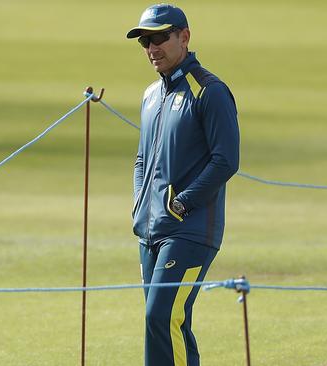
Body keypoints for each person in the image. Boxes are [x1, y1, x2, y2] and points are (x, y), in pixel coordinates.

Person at [127, 4, 240, 366]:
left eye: (160, 37)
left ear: (184, 37)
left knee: (160, 316)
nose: (151, 48)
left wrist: (182, 203)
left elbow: (226, 160)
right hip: (150, 229)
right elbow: (142, 159)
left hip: (189, 230)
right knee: (171, 320)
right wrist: (140, 202)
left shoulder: (210, 91)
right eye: (146, 40)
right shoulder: (149, 95)